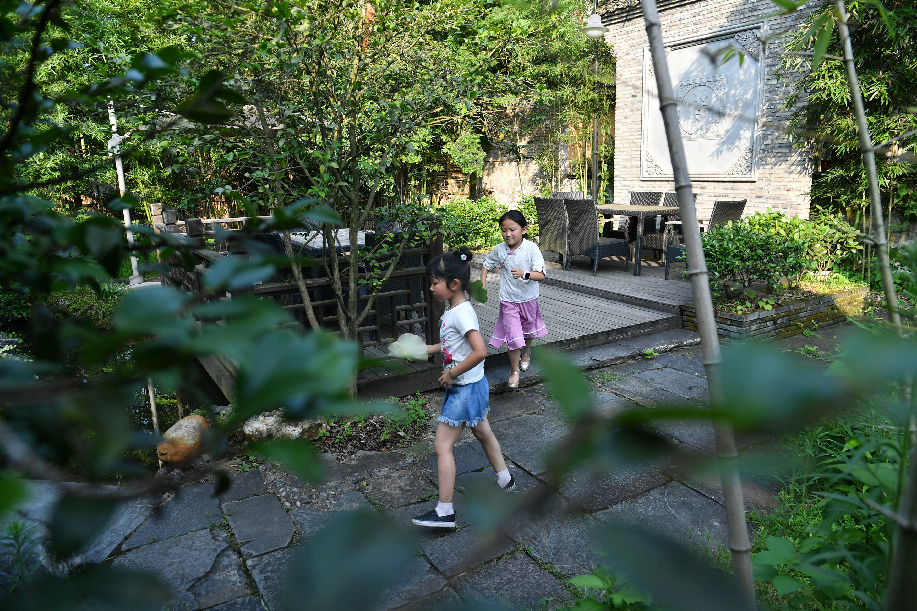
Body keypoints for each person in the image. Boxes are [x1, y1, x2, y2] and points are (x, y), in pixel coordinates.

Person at [412, 246, 515, 529]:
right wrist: (422, 350)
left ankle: (445, 512)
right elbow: (450, 345)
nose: (431, 288)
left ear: (454, 284)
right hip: (473, 386)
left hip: (464, 388)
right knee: (482, 431)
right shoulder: (455, 309)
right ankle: (505, 479)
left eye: (435, 283)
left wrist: (451, 373)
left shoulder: (462, 314)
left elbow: (480, 351)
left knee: (441, 445)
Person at [480, 210, 547, 389]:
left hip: (529, 299)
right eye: (504, 230)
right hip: (508, 301)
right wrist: (482, 284)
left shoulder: (531, 249)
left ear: (523, 230)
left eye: (512, 230)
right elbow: (486, 265)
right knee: (513, 337)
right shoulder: (500, 249)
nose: (508, 234)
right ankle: (515, 371)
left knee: (528, 330)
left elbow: (541, 275)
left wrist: (525, 274)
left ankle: (527, 352)